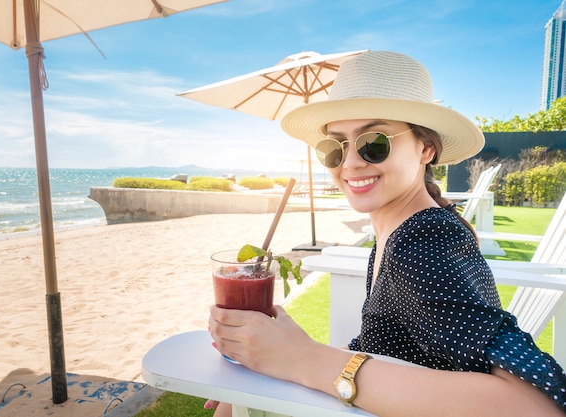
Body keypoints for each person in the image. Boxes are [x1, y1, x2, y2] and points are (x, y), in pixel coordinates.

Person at [206, 51, 566, 416]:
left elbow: (535, 406)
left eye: (373, 143)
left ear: (425, 148)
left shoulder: (422, 244)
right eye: (334, 147)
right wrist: (275, 352)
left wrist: (304, 359)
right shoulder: (400, 232)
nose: (349, 163)